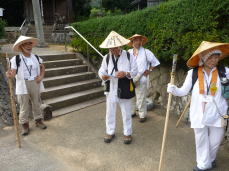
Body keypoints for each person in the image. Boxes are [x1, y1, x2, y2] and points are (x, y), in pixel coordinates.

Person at [167, 41, 229, 171]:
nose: (214, 60)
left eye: (216, 57)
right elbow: (183, 91)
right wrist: (173, 89)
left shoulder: (225, 71)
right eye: (211, 57)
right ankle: (203, 164)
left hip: (218, 113)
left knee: (215, 141)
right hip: (199, 113)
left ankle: (210, 159)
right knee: (201, 140)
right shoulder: (193, 73)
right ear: (204, 58)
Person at [98, 31, 138, 144]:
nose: (112, 50)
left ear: (119, 46)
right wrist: (103, 76)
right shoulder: (106, 57)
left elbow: (135, 71)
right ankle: (110, 132)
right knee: (110, 111)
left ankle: (127, 133)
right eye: (110, 48)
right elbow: (101, 71)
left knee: (126, 111)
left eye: (114, 48)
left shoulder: (129, 56)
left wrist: (126, 73)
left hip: (124, 87)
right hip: (110, 88)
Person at [6, 35, 47, 136]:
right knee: (24, 105)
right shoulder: (16, 59)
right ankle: (25, 125)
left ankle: (38, 120)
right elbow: (13, 73)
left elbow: (42, 68)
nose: (29, 46)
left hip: (34, 82)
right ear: (21, 47)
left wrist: (41, 77)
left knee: (36, 103)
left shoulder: (36, 57)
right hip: (22, 84)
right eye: (26, 44)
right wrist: (10, 74)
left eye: (30, 44)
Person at [128, 34, 160, 122]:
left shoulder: (146, 52)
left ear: (141, 41)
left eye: (138, 40)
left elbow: (155, 62)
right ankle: (132, 111)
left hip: (141, 78)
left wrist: (149, 70)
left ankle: (142, 115)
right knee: (131, 96)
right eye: (134, 40)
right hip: (130, 78)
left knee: (141, 97)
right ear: (132, 42)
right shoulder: (129, 52)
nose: (136, 42)